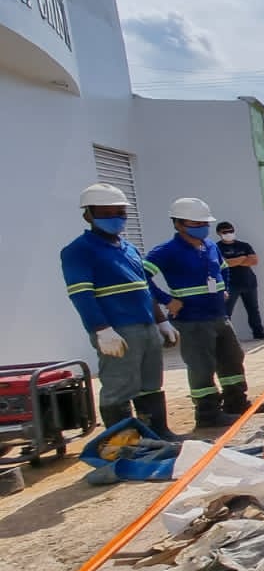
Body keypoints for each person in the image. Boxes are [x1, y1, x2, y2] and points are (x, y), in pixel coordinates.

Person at [60, 183, 182, 441]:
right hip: (117, 330)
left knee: (150, 383)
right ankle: (125, 443)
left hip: (146, 326)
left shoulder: (130, 249)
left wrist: (162, 322)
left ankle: (157, 434)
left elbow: (145, 289)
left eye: (120, 212)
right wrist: (101, 330)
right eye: (105, 213)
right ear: (88, 215)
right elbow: (81, 294)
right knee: (119, 387)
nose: (115, 218)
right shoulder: (78, 251)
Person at [145, 197, 249, 429]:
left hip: (219, 316)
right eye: (195, 223)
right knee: (202, 366)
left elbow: (224, 270)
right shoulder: (166, 251)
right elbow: (142, 278)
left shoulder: (210, 246)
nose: (202, 227)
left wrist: (224, 290)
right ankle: (208, 414)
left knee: (232, 359)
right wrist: (166, 300)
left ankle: (236, 403)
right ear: (178, 224)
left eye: (204, 223)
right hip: (192, 320)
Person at [216, 220, 264, 340]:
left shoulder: (244, 245)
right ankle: (227, 337)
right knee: (226, 311)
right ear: (219, 233)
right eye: (225, 232)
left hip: (249, 282)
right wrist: (242, 258)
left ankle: (258, 332)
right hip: (230, 285)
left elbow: (254, 260)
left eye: (231, 231)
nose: (229, 233)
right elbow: (224, 263)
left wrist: (233, 261)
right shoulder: (216, 247)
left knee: (253, 309)